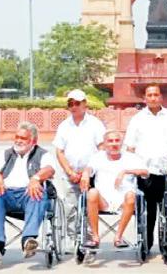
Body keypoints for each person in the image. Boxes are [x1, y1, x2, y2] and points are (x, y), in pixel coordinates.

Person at [0, 122, 55, 267]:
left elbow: (49, 169)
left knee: (37, 193)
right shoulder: (6, 153)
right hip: (7, 194)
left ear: (33, 141)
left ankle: (28, 240)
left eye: (23, 138)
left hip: (28, 194)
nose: (18, 140)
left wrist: (36, 178)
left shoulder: (43, 154)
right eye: (17, 137)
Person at [125, 83, 167, 251]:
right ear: (144, 98)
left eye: (156, 95)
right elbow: (130, 146)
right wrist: (131, 169)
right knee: (149, 211)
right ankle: (146, 243)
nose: (153, 98)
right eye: (150, 95)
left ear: (160, 97)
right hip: (146, 172)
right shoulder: (137, 119)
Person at [80, 131, 148, 249]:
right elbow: (89, 168)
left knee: (131, 196)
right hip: (103, 200)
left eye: (117, 141)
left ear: (122, 143)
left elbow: (146, 172)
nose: (114, 144)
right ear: (104, 143)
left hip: (125, 201)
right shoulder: (98, 157)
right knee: (92, 192)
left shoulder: (131, 157)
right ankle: (95, 237)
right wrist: (85, 174)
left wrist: (125, 171)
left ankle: (118, 237)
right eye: (110, 141)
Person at [52, 89, 106, 236]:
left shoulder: (95, 124)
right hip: (70, 174)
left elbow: (102, 149)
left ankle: (88, 237)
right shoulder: (64, 125)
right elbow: (59, 151)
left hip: (90, 174)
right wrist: (70, 172)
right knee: (70, 208)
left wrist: (87, 171)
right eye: (70, 104)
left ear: (84, 104)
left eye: (77, 103)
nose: (74, 106)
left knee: (89, 206)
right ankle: (73, 238)